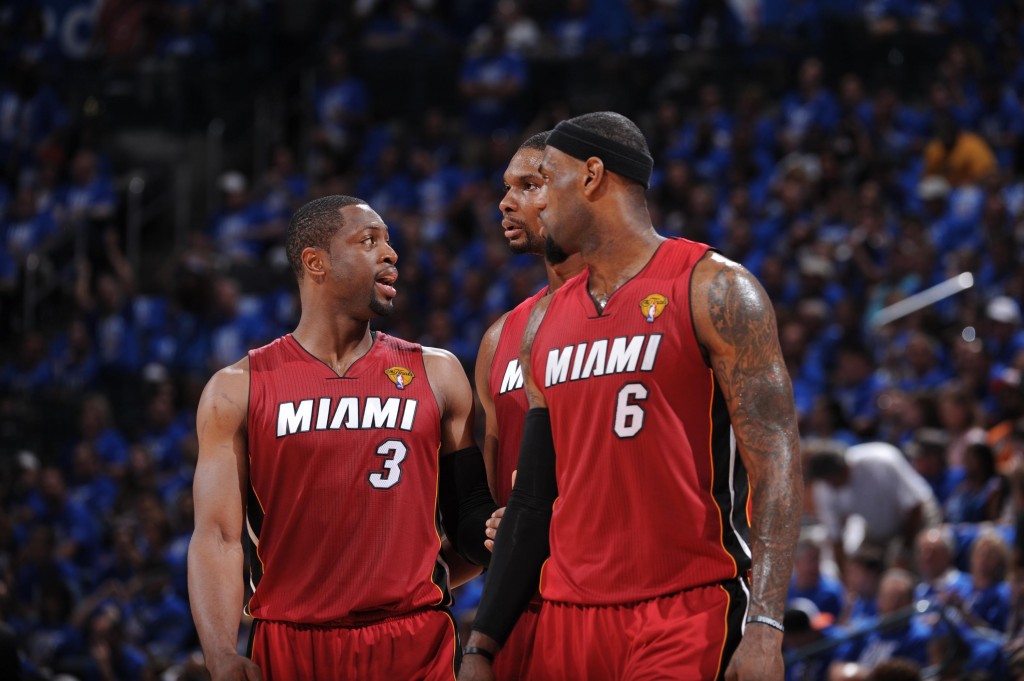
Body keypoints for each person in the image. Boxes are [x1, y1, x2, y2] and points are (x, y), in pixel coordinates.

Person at [460, 112, 803, 680]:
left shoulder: (715, 287)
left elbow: (778, 464)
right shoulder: (541, 323)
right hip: (568, 619)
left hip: (687, 607)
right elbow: (533, 499)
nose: (536, 203)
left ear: (592, 176)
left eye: (546, 180)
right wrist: (482, 645)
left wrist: (766, 622)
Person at [188, 195, 497, 680]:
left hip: (414, 642)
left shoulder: (438, 373)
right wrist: (220, 653)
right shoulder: (236, 388)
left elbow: (470, 525)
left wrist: (493, 535)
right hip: (292, 646)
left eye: (389, 241)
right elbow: (218, 537)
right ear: (316, 262)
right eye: (369, 240)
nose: (391, 253)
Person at [474, 130, 585, 680]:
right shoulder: (500, 338)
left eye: (529, 185)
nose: (505, 202)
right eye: (506, 187)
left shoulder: (648, 312)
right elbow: (493, 493)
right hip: (522, 611)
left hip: (616, 595)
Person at [806, 441, 941, 575]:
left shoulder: (880, 461)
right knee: (863, 569)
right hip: (879, 526)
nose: (830, 485)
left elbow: (914, 507)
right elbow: (836, 538)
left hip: (919, 516)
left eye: (832, 479)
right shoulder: (825, 488)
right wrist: (845, 579)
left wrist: (904, 552)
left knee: (924, 556)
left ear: (845, 468)